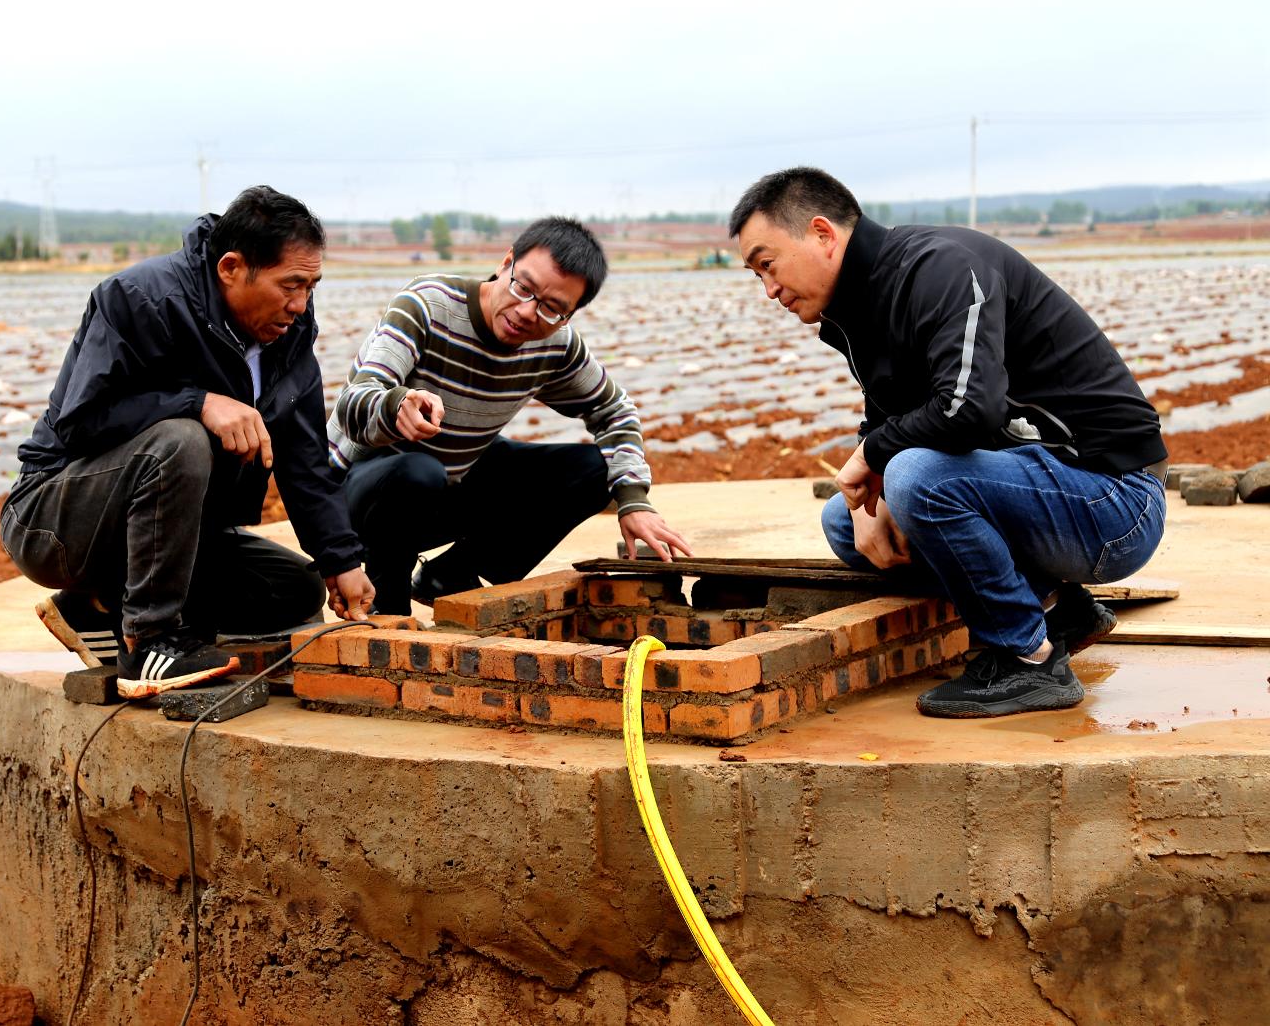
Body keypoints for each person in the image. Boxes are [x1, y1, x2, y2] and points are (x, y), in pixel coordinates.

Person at [729, 167, 1167, 718]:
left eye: (767, 265)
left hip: (1114, 499)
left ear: (822, 233)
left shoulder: (940, 267)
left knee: (916, 480)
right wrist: (872, 487)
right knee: (848, 524)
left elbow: (968, 408)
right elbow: (893, 414)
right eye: (756, 276)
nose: (768, 290)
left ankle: (1027, 659)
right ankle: (1059, 608)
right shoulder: (861, 305)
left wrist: (872, 457)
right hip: (1042, 488)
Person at [1, 186, 373, 698]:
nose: (300, 304)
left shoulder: (288, 341)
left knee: (291, 591)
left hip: (172, 536)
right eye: (290, 284)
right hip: (55, 522)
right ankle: (150, 639)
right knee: (181, 440)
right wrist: (198, 402)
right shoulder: (141, 300)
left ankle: (95, 606)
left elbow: (305, 463)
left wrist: (342, 561)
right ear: (231, 268)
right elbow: (79, 421)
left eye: (311, 285)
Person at [328, 216, 692, 615]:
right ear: (506, 263)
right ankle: (388, 605)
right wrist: (395, 404)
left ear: (569, 316)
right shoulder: (428, 304)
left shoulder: (555, 345)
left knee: (592, 469)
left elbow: (614, 409)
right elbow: (354, 402)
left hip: (445, 486)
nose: (526, 312)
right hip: (356, 495)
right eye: (523, 287)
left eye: (551, 308)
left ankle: (453, 574)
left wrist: (634, 500)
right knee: (418, 471)